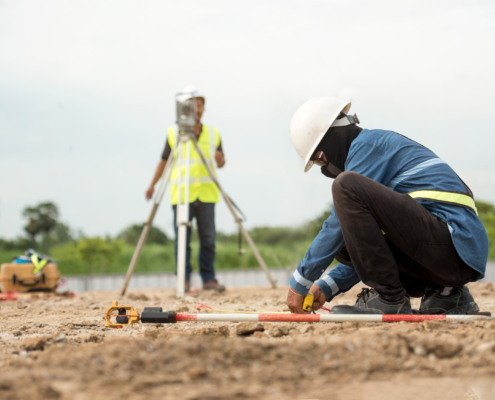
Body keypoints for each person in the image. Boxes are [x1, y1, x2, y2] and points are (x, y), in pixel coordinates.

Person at [286, 97, 488, 315]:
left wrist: (300, 281)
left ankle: (390, 299)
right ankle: (446, 295)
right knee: (345, 239)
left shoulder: (367, 146)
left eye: (319, 160)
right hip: (452, 253)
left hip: (453, 244)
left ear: (326, 147)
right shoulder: (377, 146)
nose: (323, 168)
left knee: (345, 186)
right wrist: (326, 286)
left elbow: (335, 226)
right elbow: (368, 244)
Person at [146, 86, 226, 293]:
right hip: (182, 194)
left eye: (199, 105)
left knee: (208, 239)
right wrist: (152, 184)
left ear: (203, 108)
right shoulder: (174, 133)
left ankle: (208, 278)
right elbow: (164, 160)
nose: (196, 109)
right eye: (192, 105)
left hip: (207, 194)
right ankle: (184, 279)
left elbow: (221, 161)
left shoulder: (213, 132)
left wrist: (221, 160)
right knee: (182, 239)